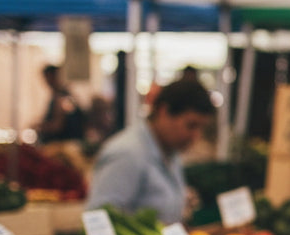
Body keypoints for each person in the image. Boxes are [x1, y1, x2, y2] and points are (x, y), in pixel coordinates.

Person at [86, 78, 214, 224]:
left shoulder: (170, 151)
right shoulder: (127, 154)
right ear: (163, 111)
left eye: (201, 128)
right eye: (191, 126)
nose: (196, 136)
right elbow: (98, 220)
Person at [36, 64, 87, 143]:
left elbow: (57, 125)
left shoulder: (61, 98)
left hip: (64, 144)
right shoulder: (65, 96)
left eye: (48, 78)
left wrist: (39, 127)